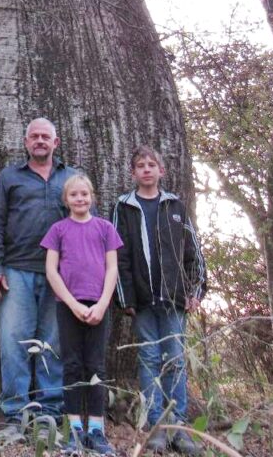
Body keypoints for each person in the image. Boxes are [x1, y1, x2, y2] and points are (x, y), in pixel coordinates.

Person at [112, 146, 207, 455]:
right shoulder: (124, 207)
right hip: (142, 300)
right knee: (150, 360)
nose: (147, 169)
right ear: (133, 173)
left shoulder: (175, 206)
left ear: (161, 171)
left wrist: (195, 291)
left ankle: (178, 427)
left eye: (152, 165)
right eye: (141, 165)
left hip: (174, 300)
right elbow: (119, 255)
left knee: (176, 361)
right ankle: (156, 427)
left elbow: (192, 251)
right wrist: (124, 296)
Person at [0, 117, 75, 426]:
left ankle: (50, 413)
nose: (39, 141)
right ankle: (15, 416)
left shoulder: (71, 178)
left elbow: (86, 225)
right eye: (34, 136)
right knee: (15, 345)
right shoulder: (10, 177)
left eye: (45, 137)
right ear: (26, 143)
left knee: (54, 344)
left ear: (55, 142)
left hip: (60, 276)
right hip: (16, 271)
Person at [41, 174, 122, 455]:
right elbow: (52, 270)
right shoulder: (58, 230)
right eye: (74, 195)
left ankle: (96, 431)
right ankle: (73, 429)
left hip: (99, 304)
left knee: (96, 366)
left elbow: (112, 268)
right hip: (67, 306)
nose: (79, 199)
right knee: (72, 365)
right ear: (66, 200)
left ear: (92, 197)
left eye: (84, 194)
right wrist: (73, 304)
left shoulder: (105, 228)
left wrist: (101, 304)